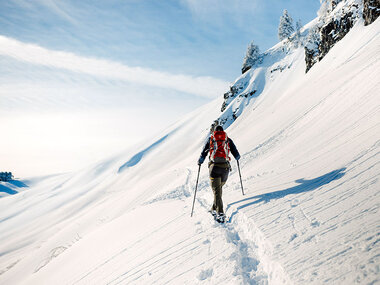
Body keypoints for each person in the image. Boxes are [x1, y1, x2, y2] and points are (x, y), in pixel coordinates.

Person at [198, 125, 240, 223]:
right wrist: (237, 157)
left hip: (214, 168)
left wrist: (200, 161)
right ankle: (213, 209)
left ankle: (220, 214)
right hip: (225, 169)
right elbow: (236, 153)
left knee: (217, 192)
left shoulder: (211, 139)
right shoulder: (227, 140)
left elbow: (203, 153)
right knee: (218, 191)